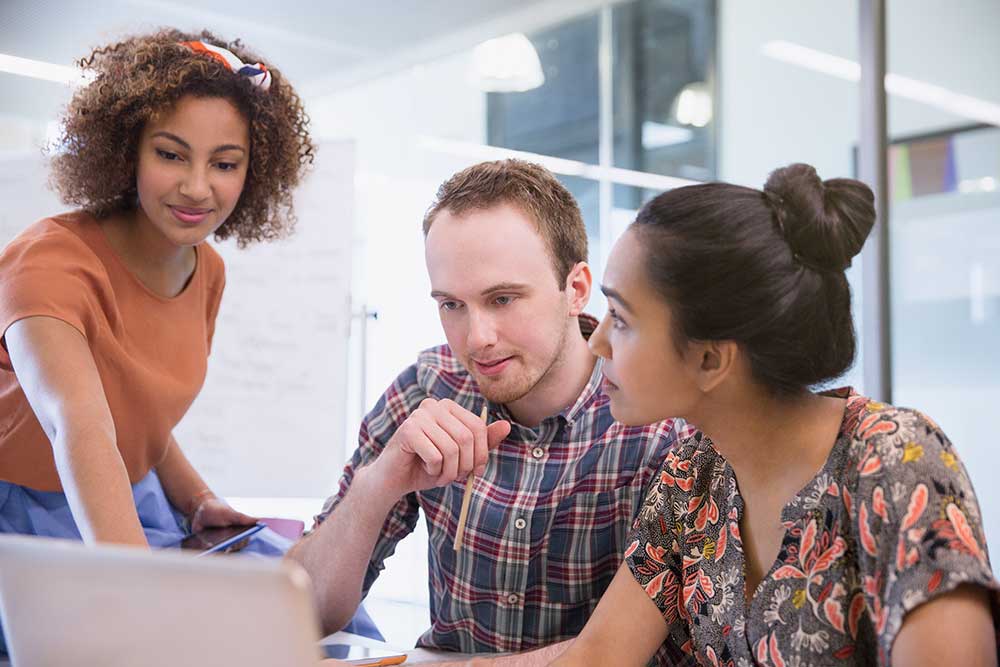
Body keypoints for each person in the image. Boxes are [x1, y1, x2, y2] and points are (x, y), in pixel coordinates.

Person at [543, 164, 999, 666]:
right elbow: (599, 656)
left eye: (622, 319)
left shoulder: (897, 460)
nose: (598, 338)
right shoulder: (692, 474)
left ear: (710, 359)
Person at [287, 159, 689, 664]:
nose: (476, 339)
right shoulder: (426, 388)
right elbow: (304, 613)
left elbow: (666, 648)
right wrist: (375, 487)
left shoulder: (661, 427)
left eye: (502, 299)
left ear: (577, 289)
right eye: (451, 305)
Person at [0, 29, 314, 652]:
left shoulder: (207, 271)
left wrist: (197, 500)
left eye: (224, 164)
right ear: (126, 151)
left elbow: (135, 410)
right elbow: (79, 428)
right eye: (171, 155)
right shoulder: (48, 262)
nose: (198, 188)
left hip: (133, 492)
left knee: (300, 598)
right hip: (28, 507)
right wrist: (143, 602)